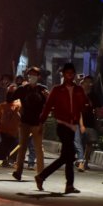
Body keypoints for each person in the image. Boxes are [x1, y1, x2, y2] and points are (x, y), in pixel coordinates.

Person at [35, 63, 88, 194]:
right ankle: (44, 176)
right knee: (68, 155)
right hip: (62, 125)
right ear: (64, 74)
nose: (70, 75)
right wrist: (41, 122)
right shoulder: (57, 89)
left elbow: (84, 105)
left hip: (73, 126)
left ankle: (65, 184)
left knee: (68, 157)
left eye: (72, 73)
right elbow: (47, 106)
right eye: (67, 73)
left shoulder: (78, 89)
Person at [12, 66, 48, 181]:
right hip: (24, 122)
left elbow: (49, 104)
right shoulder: (23, 89)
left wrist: (48, 97)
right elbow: (10, 99)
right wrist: (10, 91)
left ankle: (41, 174)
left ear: (38, 77)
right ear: (27, 76)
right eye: (30, 74)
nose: (32, 77)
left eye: (35, 75)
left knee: (39, 149)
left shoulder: (42, 90)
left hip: (38, 123)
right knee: (22, 147)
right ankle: (18, 171)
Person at [0, 85, 21, 174]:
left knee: (8, 149)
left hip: (12, 133)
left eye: (12, 94)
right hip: (1, 131)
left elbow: (21, 117)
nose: (9, 96)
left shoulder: (18, 106)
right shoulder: (2, 106)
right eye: (9, 94)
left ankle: (7, 161)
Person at [78, 75, 100, 171]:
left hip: (90, 122)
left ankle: (85, 161)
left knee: (90, 143)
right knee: (80, 143)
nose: (89, 84)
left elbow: (98, 109)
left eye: (90, 82)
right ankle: (80, 161)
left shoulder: (94, 96)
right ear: (83, 82)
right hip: (79, 122)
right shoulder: (78, 94)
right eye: (87, 81)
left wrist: (97, 121)